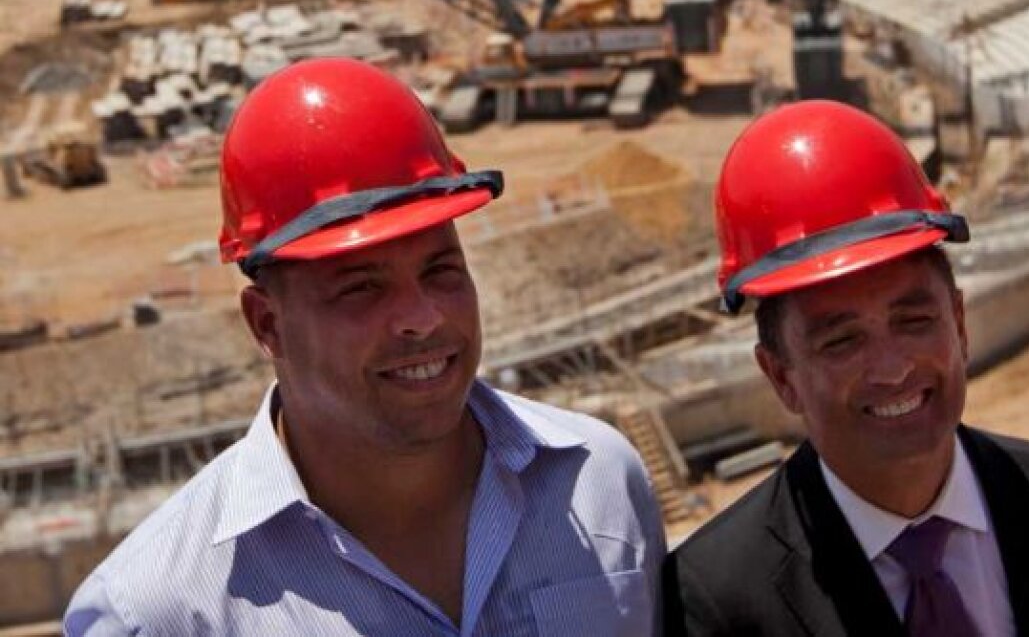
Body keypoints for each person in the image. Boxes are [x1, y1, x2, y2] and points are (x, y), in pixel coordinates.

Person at [65, 58, 665, 636]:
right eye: (361, 288)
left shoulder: (601, 484)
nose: (421, 317)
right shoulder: (158, 615)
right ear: (267, 325)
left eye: (441, 270)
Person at [663, 101, 1029, 637]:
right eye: (843, 340)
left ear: (959, 322)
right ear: (781, 376)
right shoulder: (714, 602)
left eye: (915, 320)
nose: (893, 367)